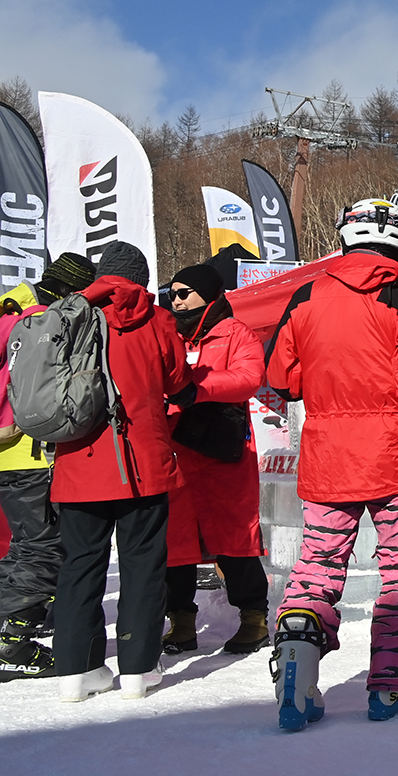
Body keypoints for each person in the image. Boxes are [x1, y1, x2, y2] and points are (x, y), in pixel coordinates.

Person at [266, 198, 398, 730]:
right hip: (393, 459)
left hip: (327, 458)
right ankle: (395, 688)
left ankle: (297, 671)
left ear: (346, 236)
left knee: (316, 569)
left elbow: (279, 376)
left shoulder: (305, 295)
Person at [51, 242, 190, 701]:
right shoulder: (158, 318)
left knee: (79, 567)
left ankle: (76, 670)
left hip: (78, 462)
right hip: (141, 462)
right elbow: (175, 380)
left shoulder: (71, 314)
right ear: (142, 278)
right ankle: (137, 669)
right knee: (142, 565)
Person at [161, 263, 270, 656]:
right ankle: (181, 622)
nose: (176, 300)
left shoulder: (235, 332)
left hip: (224, 450)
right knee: (177, 542)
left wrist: (198, 389)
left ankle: (254, 620)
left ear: (207, 294)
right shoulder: (167, 331)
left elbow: (249, 377)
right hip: (176, 449)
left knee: (235, 537)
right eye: (172, 293)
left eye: (183, 292)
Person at [0, 253, 97, 681]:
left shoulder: (10, 305)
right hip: (29, 451)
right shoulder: (49, 321)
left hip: (7, 454)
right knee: (43, 547)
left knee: (22, 546)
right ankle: (12, 641)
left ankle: (8, 629)